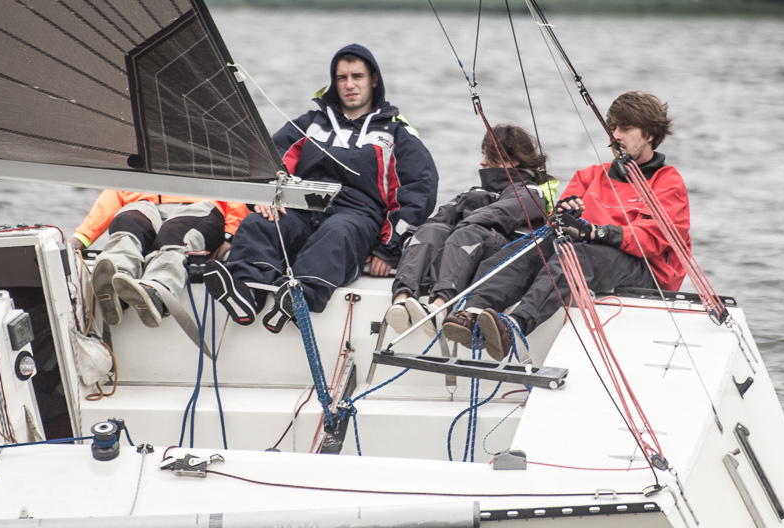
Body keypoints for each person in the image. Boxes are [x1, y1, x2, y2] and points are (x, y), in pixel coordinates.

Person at [204, 44, 438, 332]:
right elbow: (269, 160)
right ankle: (247, 292)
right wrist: (264, 197)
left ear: (374, 80)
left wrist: (389, 249)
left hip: (357, 215)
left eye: (357, 76)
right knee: (258, 224)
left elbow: (418, 189)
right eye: (342, 78)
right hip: (303, 206)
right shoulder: (310, 123)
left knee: (335, 233)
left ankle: (298, 298)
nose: (349, 85)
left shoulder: (396, 132)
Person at [443, 91, 690, 358]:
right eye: (613, 128)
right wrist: (564, 215)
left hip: (646, 270)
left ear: (649, 134)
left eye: (626, 129)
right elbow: (558, 222)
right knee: (529, 247)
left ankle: (516, 326)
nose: (615, 135)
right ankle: (474, 312)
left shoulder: (668, 183)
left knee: (577, 255)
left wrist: (596, 232)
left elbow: (653, 239)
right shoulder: (589, 176)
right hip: (590, 253)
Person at [382, 124, 556, 340]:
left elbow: (500, 215)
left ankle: (439, 308)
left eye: (490, 155)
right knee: (431, 230)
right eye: (483, 154)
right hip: (463, 247)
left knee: (467, 233)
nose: (482, 161)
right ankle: (401, 299)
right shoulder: (473, 192)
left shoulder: (530, 192)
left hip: (499, 256)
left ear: (513, 160)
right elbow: (440, 218)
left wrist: (460, 228)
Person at [74, 192, 247, 329]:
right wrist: (82, 236)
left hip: (199, 203)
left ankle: (157, 292)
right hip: (142, 201)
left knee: (175, 236)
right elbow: (115, 189)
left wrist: (230, 234)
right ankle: (115, 284)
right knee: (127, 226)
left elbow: (236, 186)